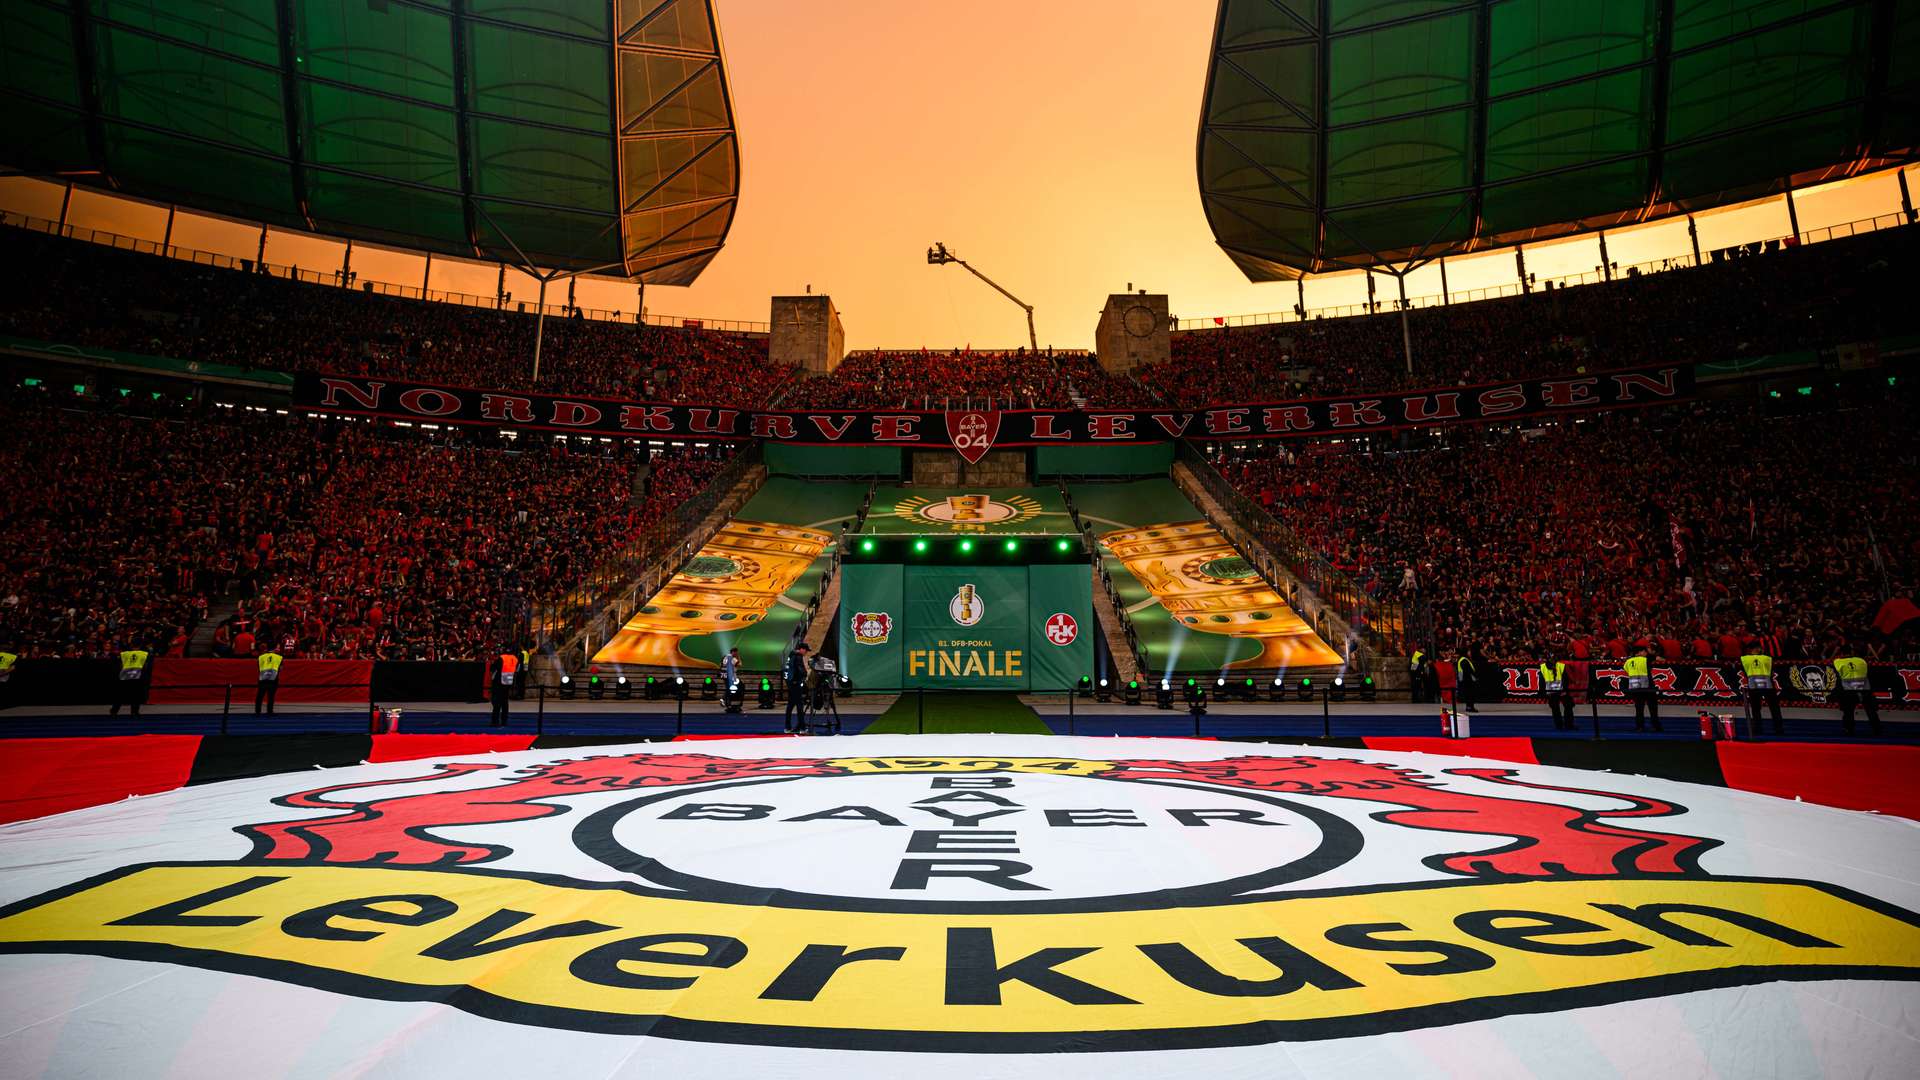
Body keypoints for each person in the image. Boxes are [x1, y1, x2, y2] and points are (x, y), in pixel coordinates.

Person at [1833, 650, 1880, 736]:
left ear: (1841, 654)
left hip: (1849, 690)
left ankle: (1849, 730)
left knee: (1848, 712)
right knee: (1871, 711)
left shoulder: (1838, 661)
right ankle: (1877, 729)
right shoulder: (1861, 660)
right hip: (1865, 689)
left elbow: (1836, 675)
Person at [1740, 644, 1783, 736]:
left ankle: (1757, 730)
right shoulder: (1767, 658)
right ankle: (1779, 730)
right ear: (1760, 650)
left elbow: (1743, 670)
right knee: (1774, 708)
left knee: (1756, 710)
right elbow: (1771, 671)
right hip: (1767, 685)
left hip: (1753, 686)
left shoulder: (1745, 659)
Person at [1623, 643, 1661, 732]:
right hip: (1648, 687)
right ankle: (1656, 726)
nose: (1646, 653)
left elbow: (1626, 670)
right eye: (1645, 651)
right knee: (1653, 708)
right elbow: (1659, 658)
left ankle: (1639, 727)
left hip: (1635, 688)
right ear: (1640, 652)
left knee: (1639, 709)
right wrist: (1651, 651)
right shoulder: (1646, 659)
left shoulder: (1628, 661)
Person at [109, 641, 150, 718]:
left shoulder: (124, 653)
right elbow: (146, 665)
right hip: (137, 675)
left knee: (121, 695)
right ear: (140, 646)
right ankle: (134, 712)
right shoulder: (144, 653)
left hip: (125, 675)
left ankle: (114, 711)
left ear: (131, 646)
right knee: (136, 695)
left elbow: (120, 664)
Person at [809, 652, 841, 732]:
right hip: (817, 687)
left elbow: (832, 673)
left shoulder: (826, 662)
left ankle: (829, 720)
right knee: (816, 702)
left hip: (826, 687)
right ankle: (812, 723)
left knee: (828, 702)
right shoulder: (815, 666)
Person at [1540, 655, 1574, 731]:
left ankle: (1567, 725)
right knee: (1556, 708)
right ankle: (1561, 725)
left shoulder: (1560, 666)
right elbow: (1541, 681)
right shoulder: (1543, 667)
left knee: (1568, 706)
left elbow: (1565, 679)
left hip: (1559, 691)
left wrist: (1564, 691)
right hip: (1552, 692)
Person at [783, 642, 811, 733]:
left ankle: (787, 727)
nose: (806, 653)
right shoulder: (798, 656)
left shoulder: (791, 655)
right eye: (806, 650)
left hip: (790, 683)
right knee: (799, 705)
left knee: (790, 705)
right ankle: (802, 728)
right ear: (802, 649)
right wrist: (805, 674)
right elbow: (801, 670)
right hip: (795, 683)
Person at [489, 646, 517, 728]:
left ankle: (495, 721)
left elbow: (492, 668)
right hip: (508, 682)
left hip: (499, 682)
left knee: (497, 703)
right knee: (505, 703)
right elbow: (517, 670)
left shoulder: (502, 658)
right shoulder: (515, 659)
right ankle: (504, 721)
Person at [255, 647, 284, 715]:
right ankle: (269, 711)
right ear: (274, 649)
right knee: (271, 696)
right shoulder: (279, 657)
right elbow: (281, 668)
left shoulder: (261, 657)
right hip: (273, 678)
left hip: (263, 678)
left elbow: (259, 667)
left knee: (260, 696)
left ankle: (257, 711)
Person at [721, 646, 743, 714]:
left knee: (728, 689)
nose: (736, 654)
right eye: (736, 652)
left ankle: (725, 701)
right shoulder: (733, 658)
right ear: (733, 652)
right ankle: (725, 700)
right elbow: (740, 664)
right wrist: (738, 657)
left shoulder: (725, 657)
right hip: (731, 676)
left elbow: (721, 664)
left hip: (724, 675)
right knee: (731, 690)